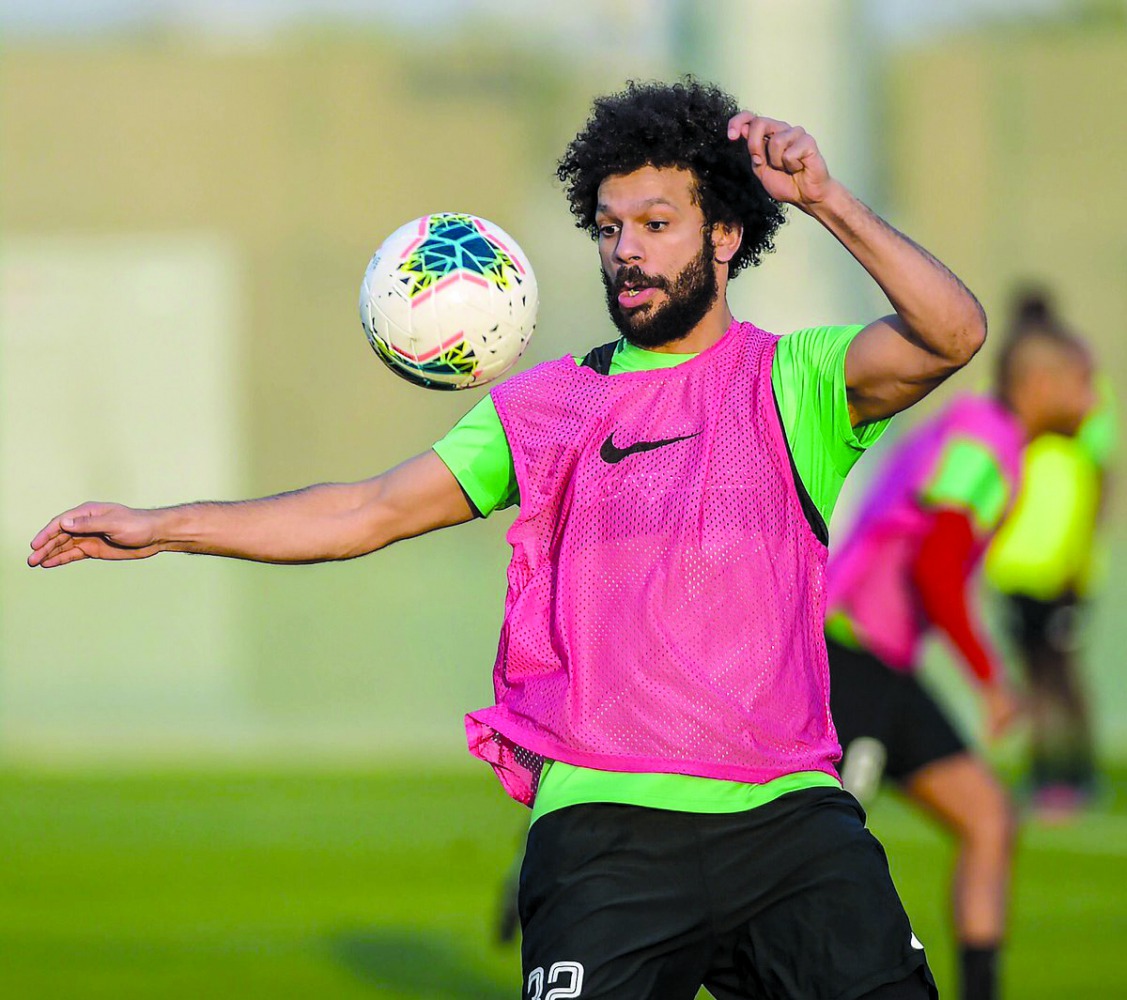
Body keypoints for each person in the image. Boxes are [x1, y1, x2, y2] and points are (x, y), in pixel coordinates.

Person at [29, 79, 989, 999]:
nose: (626, 251)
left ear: (726, 234)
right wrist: (165, 527)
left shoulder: (796, 382)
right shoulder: (546, 408)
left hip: (789, 823)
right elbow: (367, 510)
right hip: (605, 830)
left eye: (656, 224)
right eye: (608, 228)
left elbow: (951, 334)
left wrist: (824, 199)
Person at [824, 317, 1094, 1000]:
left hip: (885, 662)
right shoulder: (984, 445)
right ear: (1040, 384)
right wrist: (989, 677)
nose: (1093, 400)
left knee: (986, 816)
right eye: (1082, 382)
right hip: (847, 655)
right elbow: (937, 566)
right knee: (816, 854)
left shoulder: (986, 435)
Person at [986, 292, 1115, 819]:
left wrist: (1082, 551)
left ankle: (1081, 771)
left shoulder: (1083, 393)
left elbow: (1101, 475)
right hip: (1013, 561)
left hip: (1062, 562)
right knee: (1033, 673)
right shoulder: (1007, 398)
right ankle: (1043, 772)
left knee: (1063, 673)